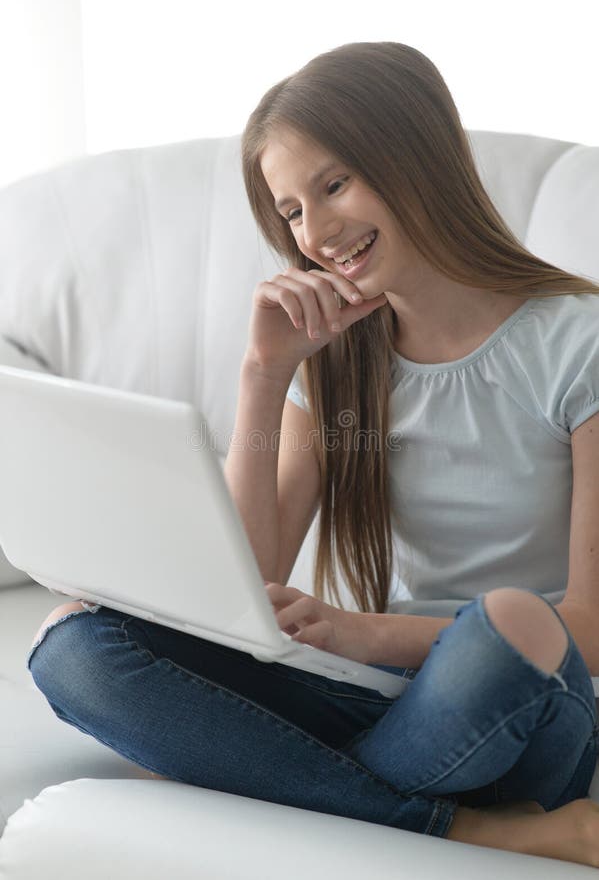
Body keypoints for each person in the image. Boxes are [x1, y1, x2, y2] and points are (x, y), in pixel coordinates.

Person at [28, 42, 599, 867]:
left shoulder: (577, 342)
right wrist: (264, 376)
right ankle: (469, 828)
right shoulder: (333, 358)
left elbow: (588, 624)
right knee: (73, 646)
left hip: (513, 693)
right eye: (292, 211)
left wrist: (363, 635)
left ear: (420, 158)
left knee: (509, 616)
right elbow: (245, 587)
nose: (319, 233)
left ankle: (264, 774)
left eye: (333, 185)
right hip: (378, 704)